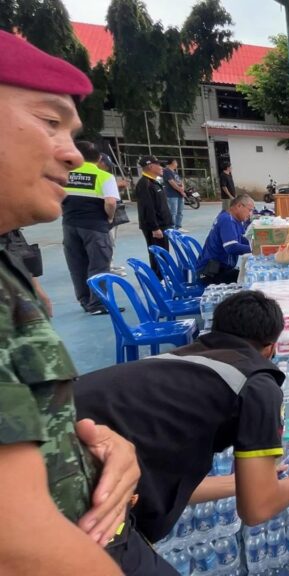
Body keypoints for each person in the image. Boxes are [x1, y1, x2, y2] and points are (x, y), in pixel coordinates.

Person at [76, 290, 289, 572]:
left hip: (55, 449)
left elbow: (169, 480)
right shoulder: (256, 384)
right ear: (271, 347)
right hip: (75, 490)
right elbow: (257, 510)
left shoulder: (176, 362)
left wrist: (243, 483)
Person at [0, 29, 141, 574]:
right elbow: (18, 549)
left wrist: (98, 443)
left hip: (96, 531)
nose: (69, 153)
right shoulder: (103, 178)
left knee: (87, 275)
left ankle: (92, 297)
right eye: (48, 121)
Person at [61, 140, 119, 315]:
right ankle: (99, 304)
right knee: (99, 264)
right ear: (99, 157)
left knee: (77, 265)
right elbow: (110, 202)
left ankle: (85, 301)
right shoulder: (104, 176)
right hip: (95, 226)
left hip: (70, 225)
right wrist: (109, 217)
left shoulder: (66, 175)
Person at [197, 194, 255, 285]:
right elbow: (232, 247)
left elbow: (243, 239)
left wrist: (260, 243)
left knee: (250, 274)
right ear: (239, 206)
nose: (250, 214)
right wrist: (255, 249)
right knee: (251, 280)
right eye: (250, 210)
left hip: (220, 269)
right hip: (212, 273)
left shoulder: (234, 219)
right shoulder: (227, 220)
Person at [135, 154, 173, 279]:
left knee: (163, 253)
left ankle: (164, 276)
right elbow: (147, 207)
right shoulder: (145, 184)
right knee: (157, 255)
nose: (162, 167)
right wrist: (154, 227)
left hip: (162, 225)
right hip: (156, 227)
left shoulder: (153, 182)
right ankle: (159, 279)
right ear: (150, 166)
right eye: (159, 165)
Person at [162, 159, 187, 233]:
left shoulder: (175, 172)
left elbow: (180, 181)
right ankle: (172, 228)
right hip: (172, 195)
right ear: (173, 163)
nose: (177, 164)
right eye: (176, 162)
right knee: (173, 212)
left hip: (179, 194)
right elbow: (172, 182)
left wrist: (182, 188)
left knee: (180, 211)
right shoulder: (166, 171)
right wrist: (181, 190)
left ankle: (178, 226)